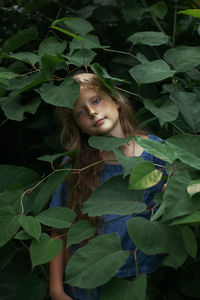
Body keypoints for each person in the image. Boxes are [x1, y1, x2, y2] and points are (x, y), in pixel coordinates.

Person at [49, 72, 166, 300]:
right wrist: (56, 290)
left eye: (96, 100)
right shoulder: (76, 165)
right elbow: (58, 230)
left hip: (135, 281)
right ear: (80, 127)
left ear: (116, 101)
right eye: (80, 112)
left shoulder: (155, 153)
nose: (92, 112)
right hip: (85, 287)